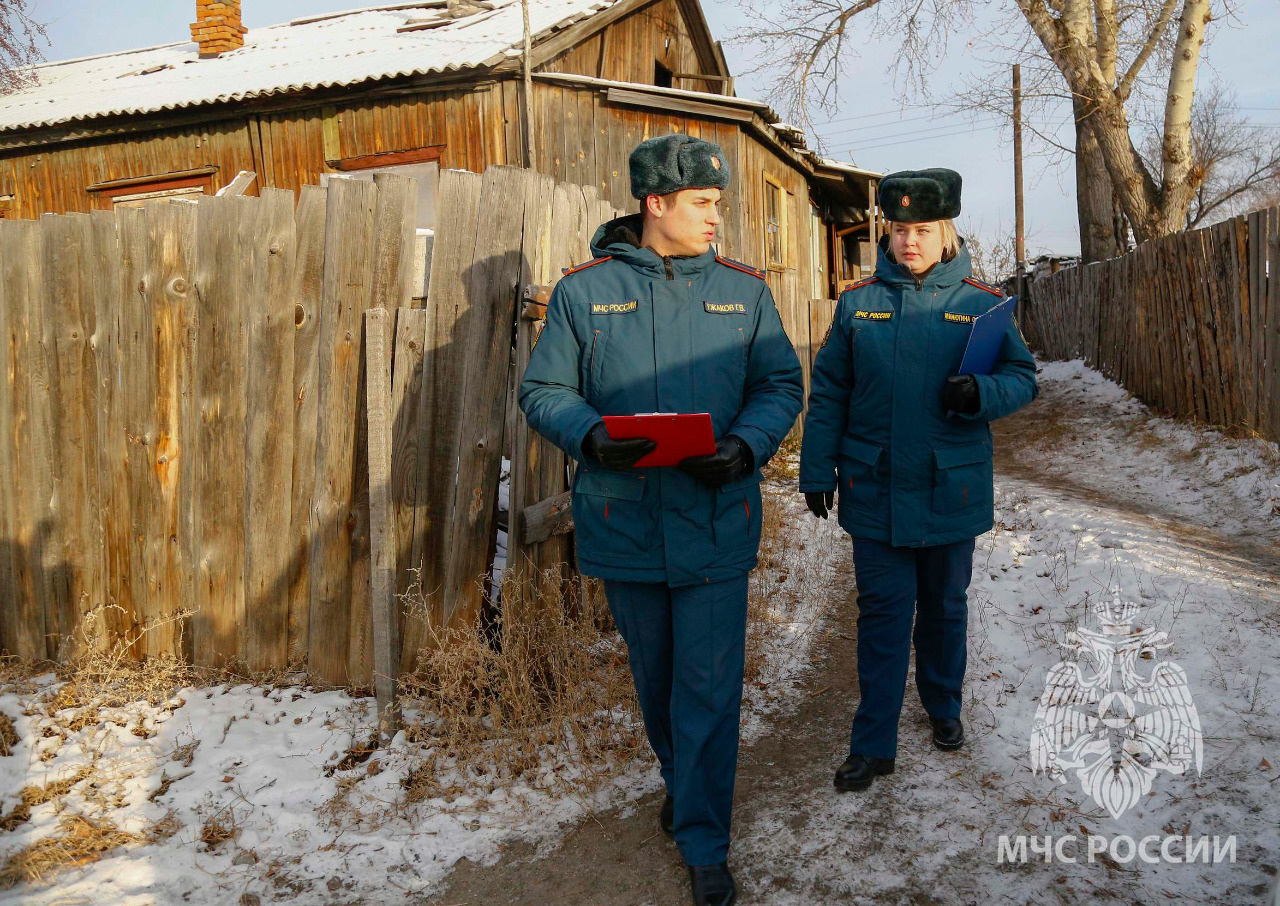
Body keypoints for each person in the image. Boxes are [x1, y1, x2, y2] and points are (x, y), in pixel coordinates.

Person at [519, 133, 804, 906]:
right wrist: (593, 434)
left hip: (715, 515)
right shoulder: (586, 293)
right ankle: (685, 785)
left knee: (708, 686)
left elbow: (781, 383)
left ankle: (705, 839)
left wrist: (746, 446)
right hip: (625, 520)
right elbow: (544, 391)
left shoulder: (744, 293)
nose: (718, 217)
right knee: (658, 683)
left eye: (718, 204)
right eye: (704, 203)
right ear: (657, 204)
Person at [798, 168, 1038, 793]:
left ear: (945, 232)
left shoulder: (981, 306)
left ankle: (944, 706)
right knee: (881, 613)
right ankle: (872, 741)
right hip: (874, 486)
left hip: (948, 486)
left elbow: (1023, 378)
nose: (909, 241)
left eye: (922, 230)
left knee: (943, 607)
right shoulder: (858, 303)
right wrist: (817, 466)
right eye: (900, 229)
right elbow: (829, 392)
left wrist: (980, 392)